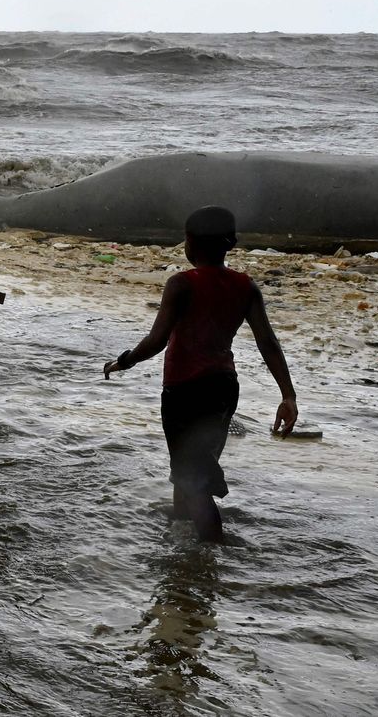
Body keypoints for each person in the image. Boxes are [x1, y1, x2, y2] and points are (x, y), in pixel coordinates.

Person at [104, 205, 299, 543]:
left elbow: (157, 340)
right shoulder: (246, 286)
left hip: (184, 391)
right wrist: (288, 395)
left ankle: (210, 562)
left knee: (192, 481)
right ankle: (181, 543)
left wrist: (124, 361)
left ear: (190, 244)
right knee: (191, 473)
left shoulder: (181, 284)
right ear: (230, 244)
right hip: (223, 389)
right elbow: (268, 341)